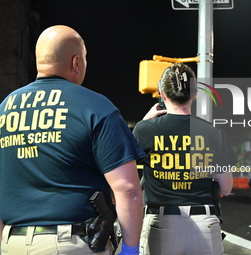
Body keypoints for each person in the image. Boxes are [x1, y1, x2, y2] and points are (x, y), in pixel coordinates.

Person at [0, 25, 145, 255]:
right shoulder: (96, 107)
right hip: (71, 243)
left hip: (12, 242)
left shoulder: (4, 109)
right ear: (76, 62)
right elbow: (128, 189)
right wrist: (130, 249)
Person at [133, 63, 238, 255]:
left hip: (161, 223)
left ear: (162, 94)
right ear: (195, 94)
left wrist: (144, 122)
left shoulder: (144, 130)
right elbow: (226, 187)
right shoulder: (213, 133)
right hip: (204, 224)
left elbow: (126, 174)